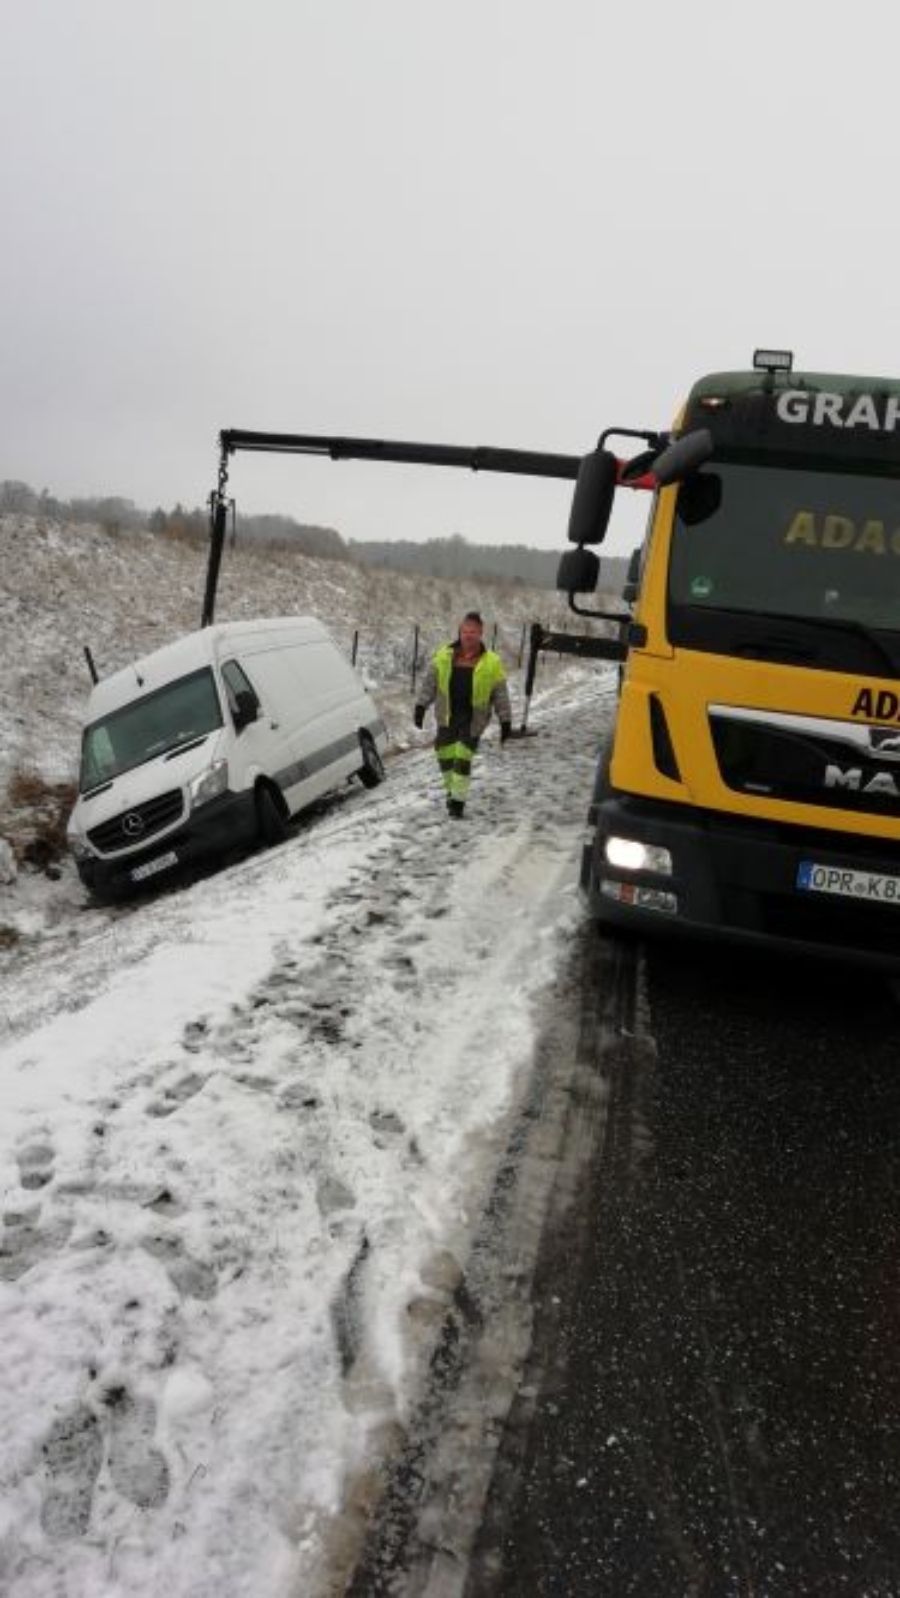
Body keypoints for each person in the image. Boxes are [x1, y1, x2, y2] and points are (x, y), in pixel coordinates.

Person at [414, 612, 512, 818]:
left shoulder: (492, 662)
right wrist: (421, 706)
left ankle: (457, 804)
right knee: (445, 757)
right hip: (447, 716)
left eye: (473, 632)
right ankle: (452, 792)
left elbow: (500, 694)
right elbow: (430, 683)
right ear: (460, 631)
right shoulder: (443, 655)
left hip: (474, 720)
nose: (468, 635)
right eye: (465, 631)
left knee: (462, 758)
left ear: (480, 633)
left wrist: (505, 721)